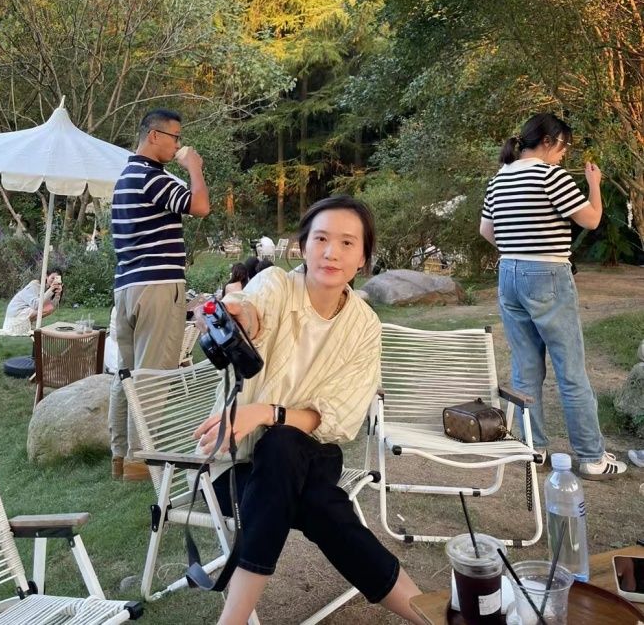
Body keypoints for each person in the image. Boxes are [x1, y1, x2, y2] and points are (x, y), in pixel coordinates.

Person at [193, 196, 427, 624]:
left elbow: (337, 416)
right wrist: (239, 315)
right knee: (321, 505)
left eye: (347, 242)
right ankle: (429, 614)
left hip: (314, 454)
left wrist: (265, 412)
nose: (331, 252)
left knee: (283, 442)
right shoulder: (277, 286)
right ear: (302, 246)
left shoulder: (364, 326)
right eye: (320, 239)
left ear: (363, 257)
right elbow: (253, 310)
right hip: (239, 470)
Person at [480, 112, 626, 479]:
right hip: (548, 274)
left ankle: (533, 449)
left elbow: (486, 230)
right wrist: (594, 184)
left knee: (525, 368)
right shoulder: (550, 176)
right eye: (564, 146)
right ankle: (591, 457)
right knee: (570, 369)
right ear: (548, 141)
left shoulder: (499, 178)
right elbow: (591, 219)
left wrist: (517, 249)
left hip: (509, 273)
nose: (564, 154)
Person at [109, 107, 210, 482]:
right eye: (175, 137)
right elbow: (200, 206)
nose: (178, 144)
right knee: (152, 375)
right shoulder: (153, 177)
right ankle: (141, 460)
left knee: (127, 375)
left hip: (127, 288)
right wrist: (194, 168)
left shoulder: (125, 178)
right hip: (157, 287)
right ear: (154, 135)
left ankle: (120, 455)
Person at [0, 269, 63, 336]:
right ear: (46, 276)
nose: (54, 281)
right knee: (48, 308)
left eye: (56, 279)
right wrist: (51, 290)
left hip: (23, 312)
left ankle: (29, 325)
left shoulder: (46, 288)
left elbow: (52, 306)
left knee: (49, 308)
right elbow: (36, 305)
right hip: (15, 315)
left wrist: (57, 295)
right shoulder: (34, 285)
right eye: (52, 278)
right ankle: (22, 327)